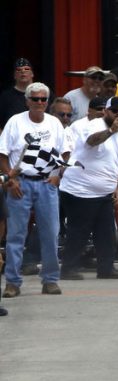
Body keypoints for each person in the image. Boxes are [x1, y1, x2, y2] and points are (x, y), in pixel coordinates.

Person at [0, 82, 67, 297]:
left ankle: (50, 280)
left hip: (47, 183)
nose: (39, 103)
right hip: (20, 183)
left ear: (48, 102)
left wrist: (58, 176)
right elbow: (2, 154)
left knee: (50, 234)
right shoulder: (15, 122)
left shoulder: (55, 123)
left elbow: (65, 153)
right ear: (27, 101)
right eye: (35, 99)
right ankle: (12, 282)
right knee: (16, 235)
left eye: (43, 99)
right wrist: (10, 180)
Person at [58, 96, 118, 281]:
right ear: (106, 111)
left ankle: (106, 268)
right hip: (80, 190)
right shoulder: (93, 125)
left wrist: (116, 185)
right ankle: (68, 268)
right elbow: (91, 141)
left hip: (104, 191)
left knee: (106, 232)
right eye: (114, 111)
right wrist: (111, 130)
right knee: (79, 230)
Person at [0, 59, 37, 128]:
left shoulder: (43, 93)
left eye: (26, 69)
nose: (23, 71)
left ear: (32, 74)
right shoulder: (5, 97)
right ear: (14, 75)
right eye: (18, 70)